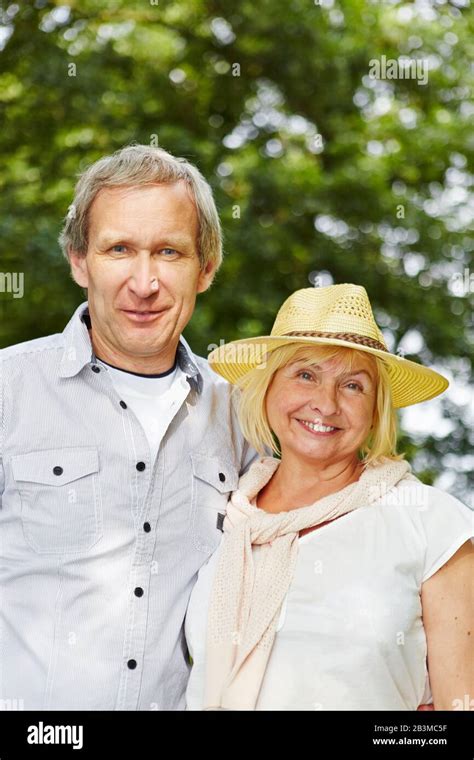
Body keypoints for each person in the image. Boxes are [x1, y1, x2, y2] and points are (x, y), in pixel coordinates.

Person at [0, 144, 259, 710]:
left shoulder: (245, 419)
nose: (144, 283)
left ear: (206, 268)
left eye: (169, 251)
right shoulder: (7, 393)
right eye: (119, 249)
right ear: (78, 260)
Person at [185, 284, 473, 710]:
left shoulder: (432, 523)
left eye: (353, 385)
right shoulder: (228, 517)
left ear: (376, 409)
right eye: (305, 374)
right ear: (268, 388)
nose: (326, 403)